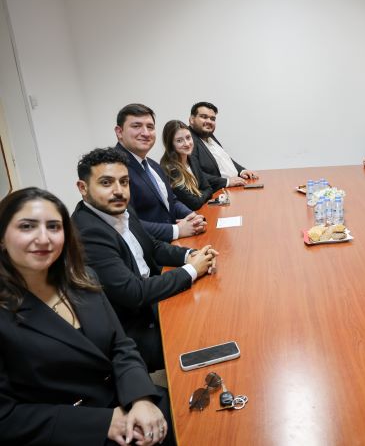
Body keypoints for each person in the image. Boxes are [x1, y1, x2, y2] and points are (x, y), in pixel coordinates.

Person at [0, 187, 173, 446]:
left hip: (128, 399)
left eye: (54, 227)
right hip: (71, 431)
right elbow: (6, 416)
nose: (44, 238)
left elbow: (121, 346)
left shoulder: (84, 279)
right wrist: (103, 423)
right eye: (27, 226)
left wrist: (141, 398)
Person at [72, 147, 218, 372]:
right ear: (83, 188)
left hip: (151, 299)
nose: (119, 191)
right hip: (133, 329)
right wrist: (191, 270)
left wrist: (191, 254)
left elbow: (153, 247)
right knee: (205, 336)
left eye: (124, 182)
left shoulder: (120, 208)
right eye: (106, 183)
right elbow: (134, 292)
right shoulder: (88, 232)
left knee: (214, 307)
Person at [115, 103, 206, 242]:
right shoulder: (115, 169)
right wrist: (176, 230)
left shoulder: (153, 165)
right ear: (119, 132)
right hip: (150, 249)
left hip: (174, 242)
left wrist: (192, 216)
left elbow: (171, 201)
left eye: (150, 127)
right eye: (136, 126)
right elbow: (126, 222)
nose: (146, 133)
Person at [188, 101, 258, 190]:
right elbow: (194, 174)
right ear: (192, 120)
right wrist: (227, 182)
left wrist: (242, 171)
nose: (209, 121)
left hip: (236, 185)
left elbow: (224, 158)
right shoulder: (188, 141)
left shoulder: (209, 135)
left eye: (212, 119)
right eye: (204, 117)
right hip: (219, 191)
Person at [160, 120, 214, 210]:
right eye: (179, 140)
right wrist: (204, 195)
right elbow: (194, 203)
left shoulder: (192, 160)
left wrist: (201, 196)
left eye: (188, 137)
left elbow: (209, 189)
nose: (187, 143)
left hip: (202, 210)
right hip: (187, 216)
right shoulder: (169, 169)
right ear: (171, 144)